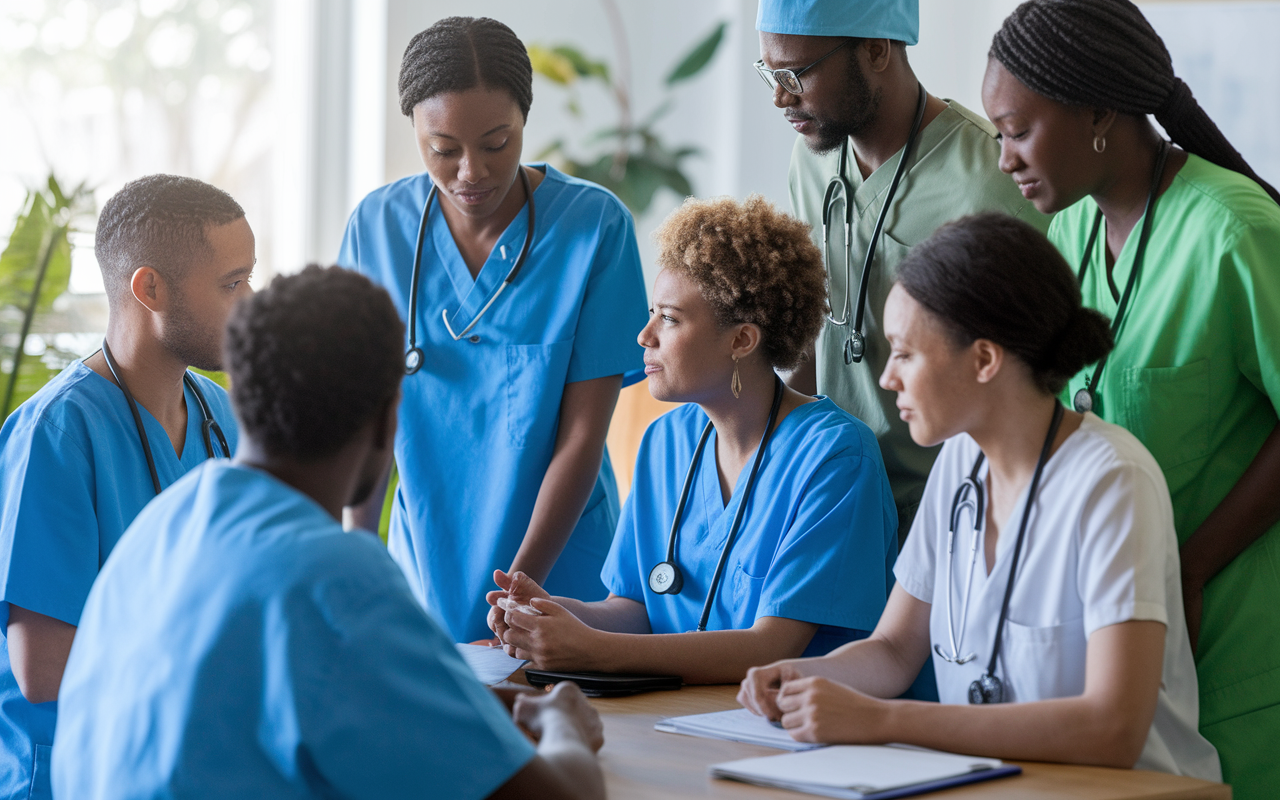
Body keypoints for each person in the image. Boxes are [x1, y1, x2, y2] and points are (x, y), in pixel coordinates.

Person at [52, 265, 607, 800]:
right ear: (390, 420)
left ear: (240, 402)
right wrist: (565, 724)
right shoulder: (336, 575)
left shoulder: (163, 523)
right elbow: (563, 794)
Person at [738, 214, 1221, 780]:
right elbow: (895, 649)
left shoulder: (1112, 480)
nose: (887, 378)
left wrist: (884, 721)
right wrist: (802, 678)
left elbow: (1113, 728)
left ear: (985, 359)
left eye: (905, 353)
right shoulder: (960, 463)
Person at [982, 2, 1280, 794]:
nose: (1005, 158)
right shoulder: (1070, 236)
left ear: (1100, 113)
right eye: (996, 135)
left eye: (1017, 130)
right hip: (1115, 647)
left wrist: (1195, 566)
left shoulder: (1231, 230)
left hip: (1237, 650)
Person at [486, 196, 901, 685]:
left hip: (788, 730)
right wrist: (549, 614)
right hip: (673, 717)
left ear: (742, 340)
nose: (644, 336)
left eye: (670, 318)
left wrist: (592, 649)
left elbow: (771, 647)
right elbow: (636, 610)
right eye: (650, 314)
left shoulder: (836, 456)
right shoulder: (664, 443)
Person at [339, 16, 648, 644]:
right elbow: (365, 415)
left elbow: (584, 436)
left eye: (496, 142)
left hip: (559, 575)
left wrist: (519, 597)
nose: (471, 172)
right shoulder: (377, 227)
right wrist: (352, 564)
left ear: (525, 123)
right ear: (416, 133)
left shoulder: (594, 229)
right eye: (444, 149)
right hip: (423, 565)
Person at [754, 0, 1049, 542]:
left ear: (875, 50)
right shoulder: (812, 158)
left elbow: (1028, 382)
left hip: (953, 511)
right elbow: (813, 331)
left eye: (795, 74)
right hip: (832, 495)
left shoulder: (993, 182)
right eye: (769, 74)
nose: (780, 96)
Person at [0, 175, 249, 800]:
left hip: (173, 762)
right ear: (149, 288)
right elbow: (45, 671)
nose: (252, 301)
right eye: (232, 283)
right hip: (73, 776)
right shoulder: (57, 434)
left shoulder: (221, 414)